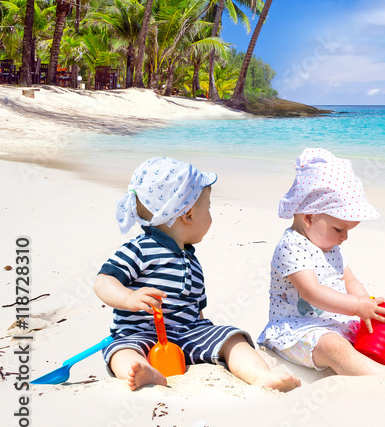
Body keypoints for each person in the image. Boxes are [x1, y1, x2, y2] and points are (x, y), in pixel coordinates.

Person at [95, 157, 300, 392]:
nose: (211, 213)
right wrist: (127, 298)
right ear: (189, 215)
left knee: (232, 337)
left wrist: (205, 330)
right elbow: (104, 281)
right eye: (208, 207)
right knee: (121, 352)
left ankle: (261, 375)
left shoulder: (190, 259)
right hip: (140, 333)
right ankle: (143, 371)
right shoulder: (140, 249)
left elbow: (196, 307)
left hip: (188, 333)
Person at [258, 149, 385, 375]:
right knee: (334, 346)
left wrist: (366, 303)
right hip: (298, 331)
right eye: (339, 229)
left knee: (376, 334)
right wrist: (356, 307)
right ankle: (383, 371)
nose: (344, 237)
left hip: (336, 322)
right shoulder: (291, 246)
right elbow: (311, 292)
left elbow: (349, 280)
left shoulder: (331, 246)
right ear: (308, 218)